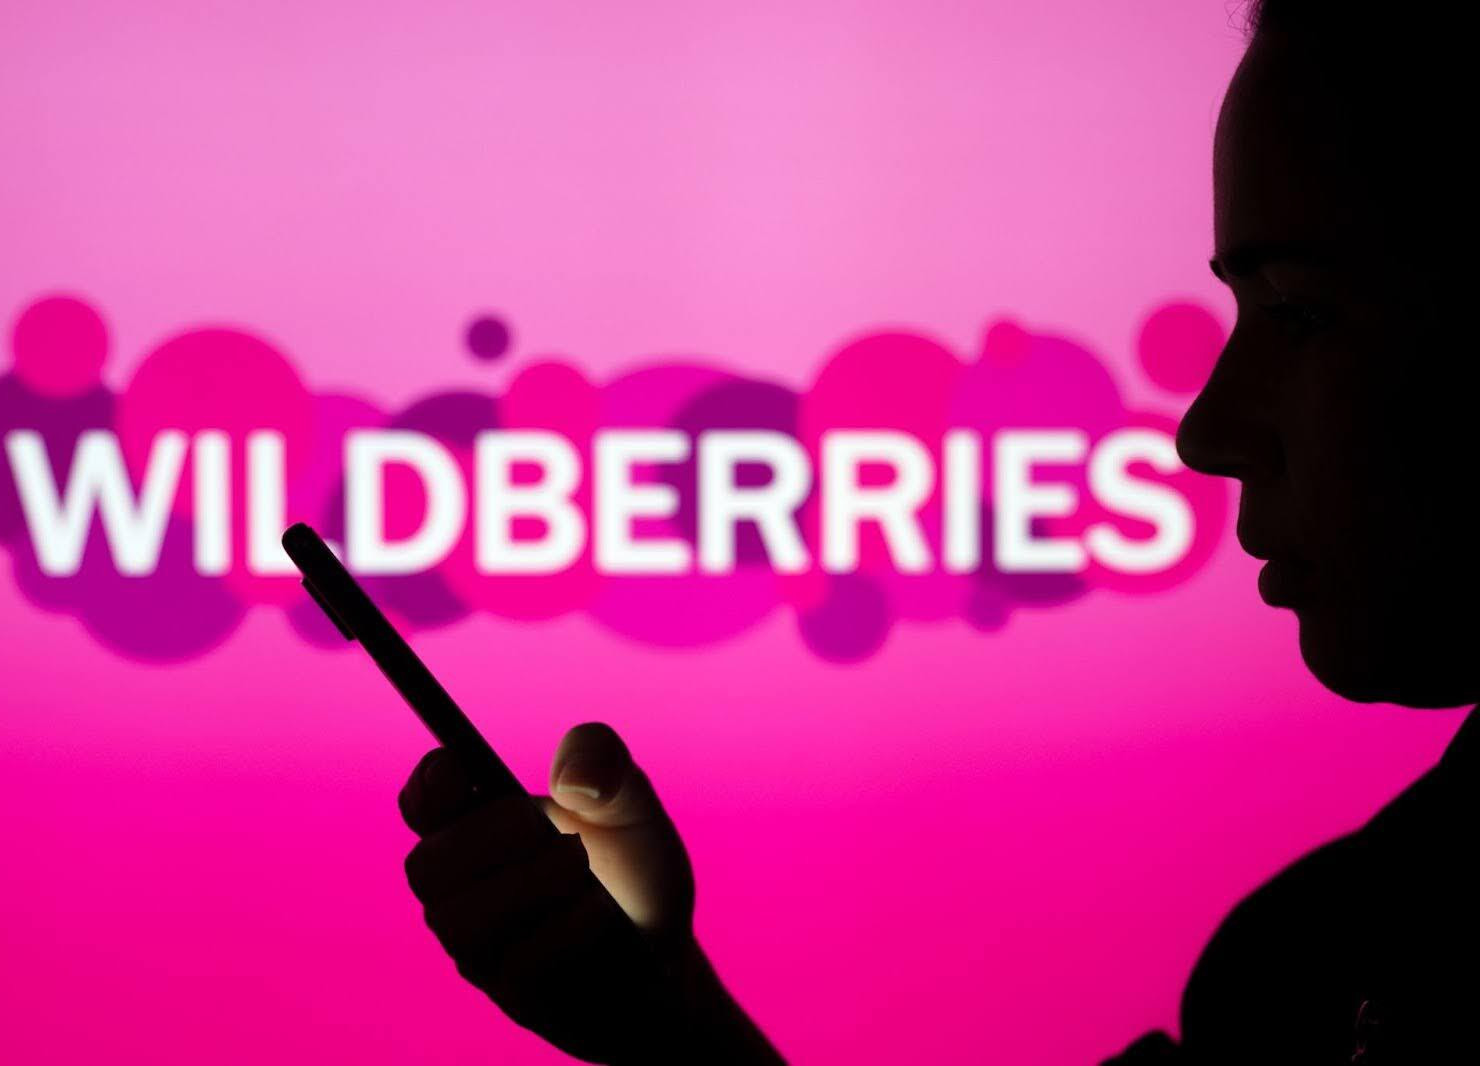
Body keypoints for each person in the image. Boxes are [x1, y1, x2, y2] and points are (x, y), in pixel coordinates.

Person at [396, 2, 1478, 1061]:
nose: (1206, 432)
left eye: (1298, 311)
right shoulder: (1312, 969)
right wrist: (660, 1015)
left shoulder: (1326, 965)